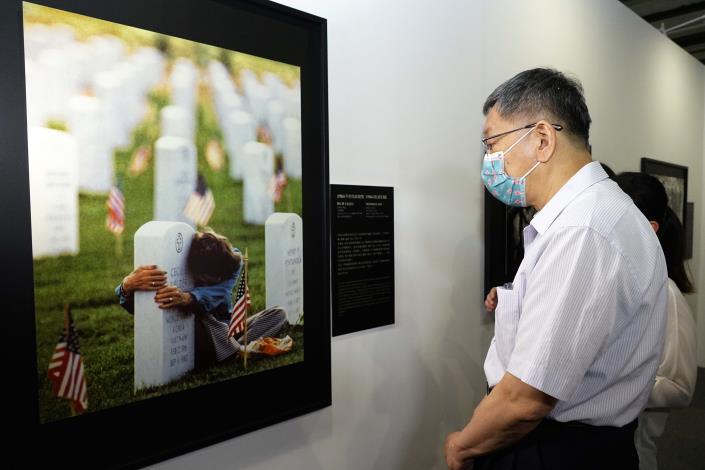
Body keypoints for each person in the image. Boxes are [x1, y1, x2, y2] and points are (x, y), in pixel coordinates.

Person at [445, 68, 668, 470]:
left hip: (557, 450)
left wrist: (462, 446)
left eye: (493, 143)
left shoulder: (583, 230)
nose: (489, 161)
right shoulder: (595, 215)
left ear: (543, 139)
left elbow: (526, 399)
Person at [615, 172, 697, 470]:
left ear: (649, 229)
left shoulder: (668, 296)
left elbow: (679, 387)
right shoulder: (619, 281)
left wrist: (611, 384)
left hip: (636, 444)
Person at [116, 230, 288, 369]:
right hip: (202, 332)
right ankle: (234, 350)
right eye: (210, 278)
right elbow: (142, 308)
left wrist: (188, 298)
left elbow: (216, 294)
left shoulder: (233, 261)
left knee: (278, 314)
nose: (218, 279)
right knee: (201, 312)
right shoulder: (190, 263)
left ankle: (233, 348)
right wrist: (127, 285)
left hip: (227, 329)